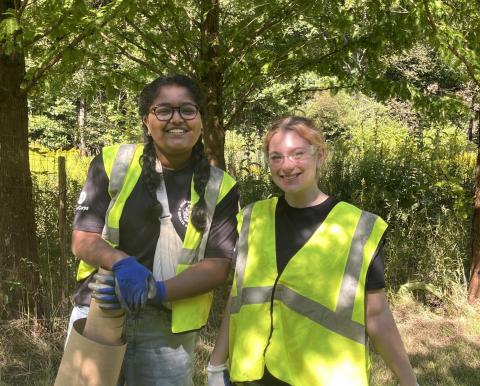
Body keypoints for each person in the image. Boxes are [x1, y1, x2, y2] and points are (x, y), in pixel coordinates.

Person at [208, 116, 418, 386]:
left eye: (298, 154)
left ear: (319, 156)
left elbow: (376, 315)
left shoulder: (358, 228)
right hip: (255, 376)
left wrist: (408, 380)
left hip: (326, 376)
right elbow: (237, 297)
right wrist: (216, 363)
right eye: (276, 157)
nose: (287, 166)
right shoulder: (253, 219)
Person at [68, 74, 239, 386]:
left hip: (167, 331)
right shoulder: (113, 163)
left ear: (200, 120)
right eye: (163, 110)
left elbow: (217, 268)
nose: (177, 119)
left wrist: (155, 292)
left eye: (187, 110)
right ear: (146, 121)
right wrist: (121, 263)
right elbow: (82, 239)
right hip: (99, 311)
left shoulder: (220, 186)